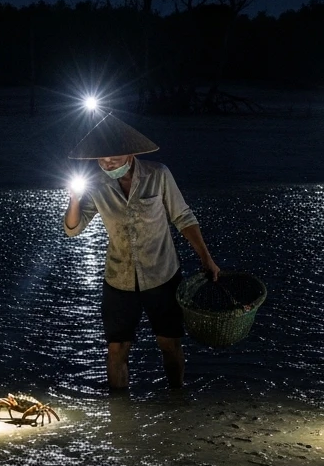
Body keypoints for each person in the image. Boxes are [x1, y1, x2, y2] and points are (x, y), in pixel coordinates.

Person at [63, 113, 222, 390]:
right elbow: (73, 229)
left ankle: (176, 399)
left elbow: (183, 217)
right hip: (118, 279)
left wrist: (206, 258)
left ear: (131, 153)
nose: (107, 162)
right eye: (101, 158)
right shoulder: (98, 186)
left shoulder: (158, 174)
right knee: (116, 348)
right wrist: (75, 198)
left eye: (112, 157)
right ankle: (119, 417)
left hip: (162, 274)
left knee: (169, 343)